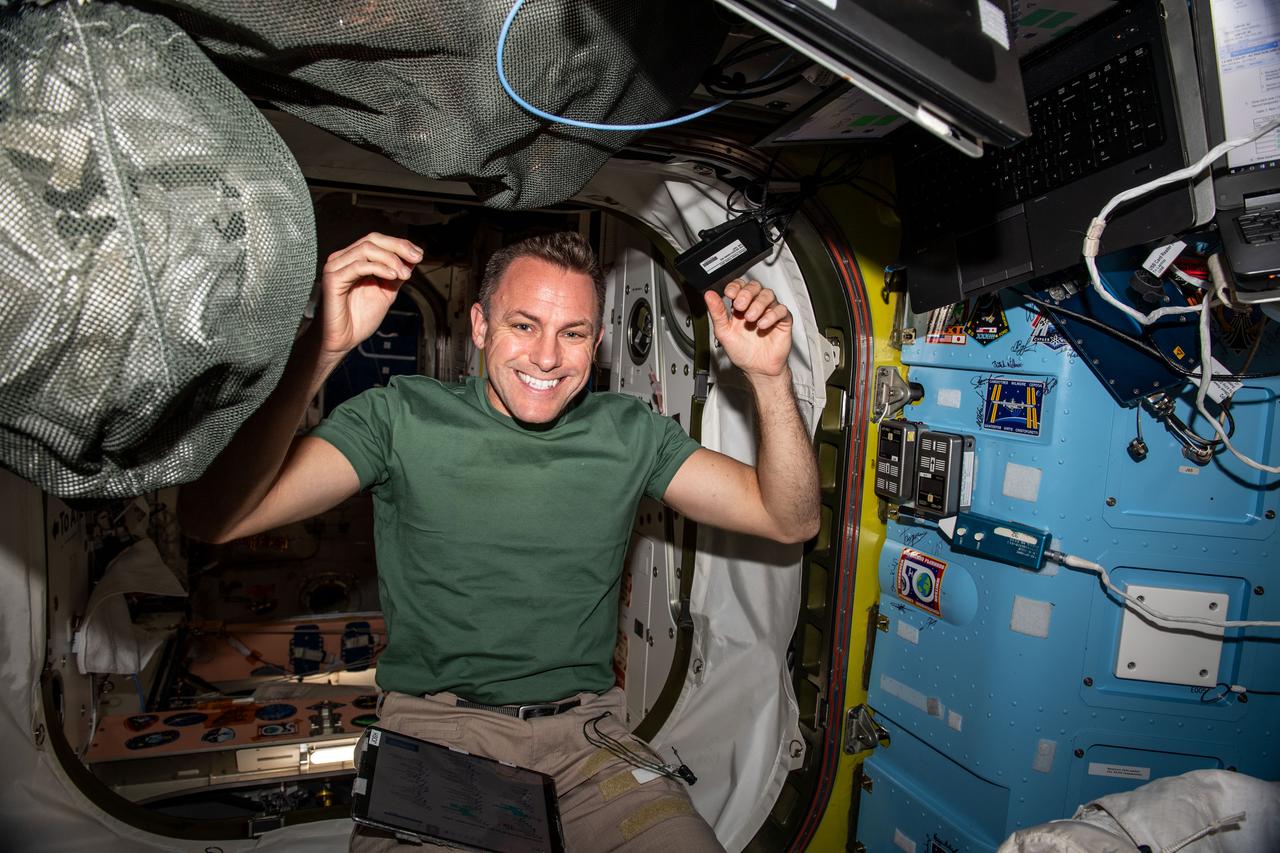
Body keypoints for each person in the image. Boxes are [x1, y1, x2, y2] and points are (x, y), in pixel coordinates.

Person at [181, 230, 820, 851]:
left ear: (597, 343)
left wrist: (768, 378)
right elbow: (216, 518)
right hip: (436, 734)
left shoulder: (631, 432)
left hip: (588, 741)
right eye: (524, 325)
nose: (547, 357)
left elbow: (789, 519)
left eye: (572, 333)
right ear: (481, 326)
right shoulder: (398, 417)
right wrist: (320, 349)